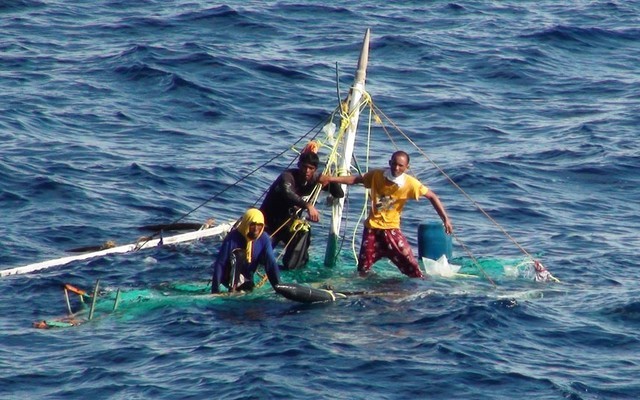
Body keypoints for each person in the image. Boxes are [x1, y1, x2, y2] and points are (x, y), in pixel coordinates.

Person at [318, 150, 453, 278]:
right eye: (394, 163)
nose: (396, 168)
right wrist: (330, 179)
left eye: (401, 165)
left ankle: (419, 286)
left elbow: (432, 197)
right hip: (372, 229)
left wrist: (445, 219)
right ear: (389, 162)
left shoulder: (410, 183)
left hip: (391, 230)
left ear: (407, 167)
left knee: (411, 265)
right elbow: (355, 179)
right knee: (363, 267)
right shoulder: (377, 175)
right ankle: (363, 291)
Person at [260, 149, 344, 270]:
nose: (307, 171)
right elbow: (287, 192)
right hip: (269, 223)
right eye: (304, 167)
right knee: (259, 258)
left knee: (303, 231)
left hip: (288, 224)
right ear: (299, 165)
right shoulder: (288, 177)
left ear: (315, 169)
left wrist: (329, 179)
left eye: (311, 168)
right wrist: (308, 206)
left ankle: (291, 268)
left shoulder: (314, 181)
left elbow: (339, 194)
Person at [211, 208, 281, 293]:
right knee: (240, 254)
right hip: (228, 279)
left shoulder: (264, 239)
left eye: (259, 225)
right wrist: (215, 290)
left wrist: (279, 288)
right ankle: (232, 290)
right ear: (246, 223)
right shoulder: (232, 238)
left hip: (247, 280)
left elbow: (271, 264)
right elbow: (220, 264)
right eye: (252, 224)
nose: (256, 229)